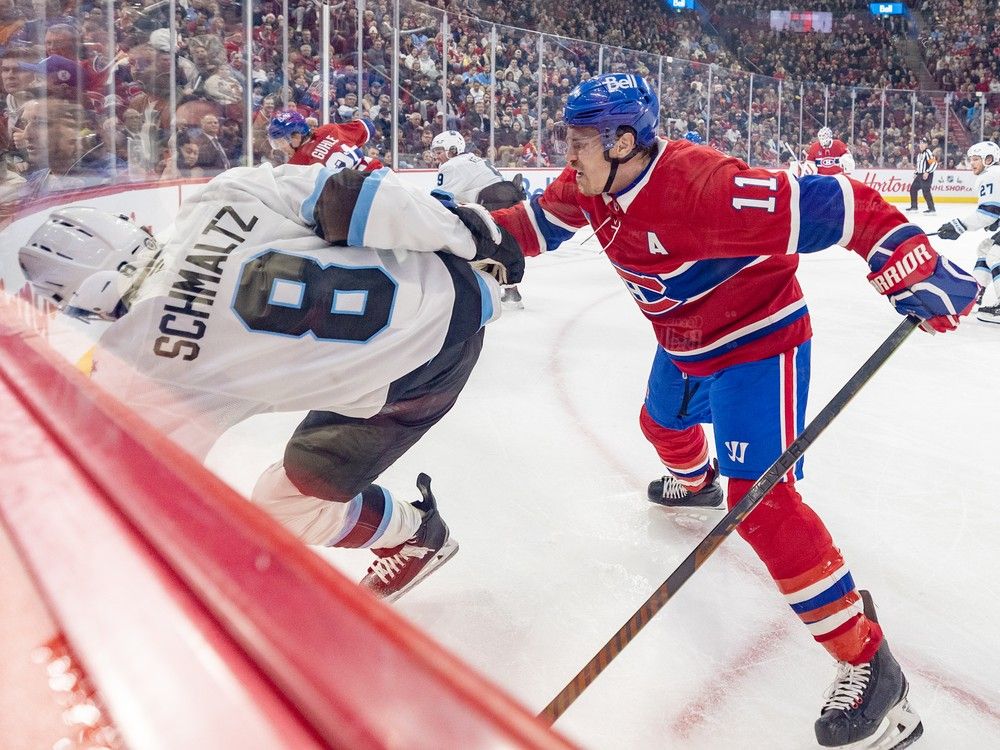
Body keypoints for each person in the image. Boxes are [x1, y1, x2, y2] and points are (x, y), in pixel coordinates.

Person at [490, 72, 978, 749]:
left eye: (579, 142)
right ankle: (696, 483)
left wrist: (909, 262)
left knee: (762, 502)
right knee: (661, 425)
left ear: (623, 141)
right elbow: (533, 225)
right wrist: (457, 236)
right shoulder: (591, 185)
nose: (566, 156)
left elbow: (845, 204)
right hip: (684, 341)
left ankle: (871, 666)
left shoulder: (702, 187)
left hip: (757, 344)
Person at [18, 162, 523, 603]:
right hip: (454, 295)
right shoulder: (224, 194)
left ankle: (417, 534)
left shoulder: (139, 369)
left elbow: (147, 496)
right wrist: (470, 236)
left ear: (81, 303)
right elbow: (359, 196)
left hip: (411, 380)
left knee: (285, 504)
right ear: (132, 229)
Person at [431, 129, 527, 309]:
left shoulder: (450, 166)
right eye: (434, 152)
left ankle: (471, 293)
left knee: (465, 245)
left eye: (439, 151)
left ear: (453, 150)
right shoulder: (475, 159)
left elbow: (441, 199)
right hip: (509, 205)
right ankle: (511, 291)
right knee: (503, 250)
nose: (436, 156)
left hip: (491, 208)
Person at [934, 140, 1000, 323]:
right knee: (986, 249)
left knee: (996, 255)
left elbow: (987, 213)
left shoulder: (991, 174)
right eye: (971, 159)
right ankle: (973, 296)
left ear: (988, 159)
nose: (972, 163)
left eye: (976, 159)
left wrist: (959, 225)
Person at [267, 109, 383, 172]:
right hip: (379, 174)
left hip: (358, 198)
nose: (280, 148)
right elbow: (368, 126)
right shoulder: (329, 129)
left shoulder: (296, 165)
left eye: (280, 142)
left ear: (296, 137)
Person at [906, 138, 936, 214]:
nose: (921, 145)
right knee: (913, 189)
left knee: (926, 191)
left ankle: (932, 208)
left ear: (926, 145)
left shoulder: (928, 152)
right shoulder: (919, 154)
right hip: (919, 175)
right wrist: (916, 173)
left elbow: (934, 163)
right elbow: (919, 166)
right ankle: (914, 206)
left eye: (923, 143)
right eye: (920, 143)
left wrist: (927, 172)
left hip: (926, 175)